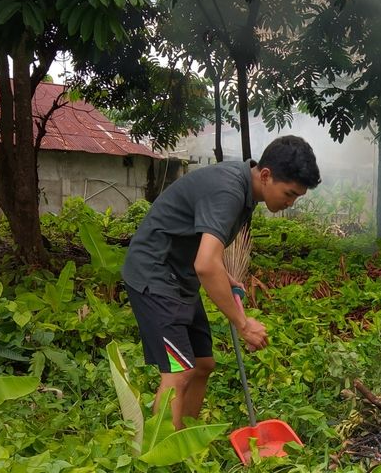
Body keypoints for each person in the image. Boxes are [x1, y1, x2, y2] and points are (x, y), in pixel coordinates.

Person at [122, 135, 321, 429]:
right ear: (265, 175)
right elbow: (205, 264)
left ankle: (185, 439)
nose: (290, 202)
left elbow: (203, 252)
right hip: (155, 275)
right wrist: (243, 324)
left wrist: (225, 278)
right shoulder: (228, 190)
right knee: (179, 371)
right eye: (289, 193)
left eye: (296, 197)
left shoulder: (245, 192)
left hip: (180, 276)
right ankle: (161, 460)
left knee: (203, 364)